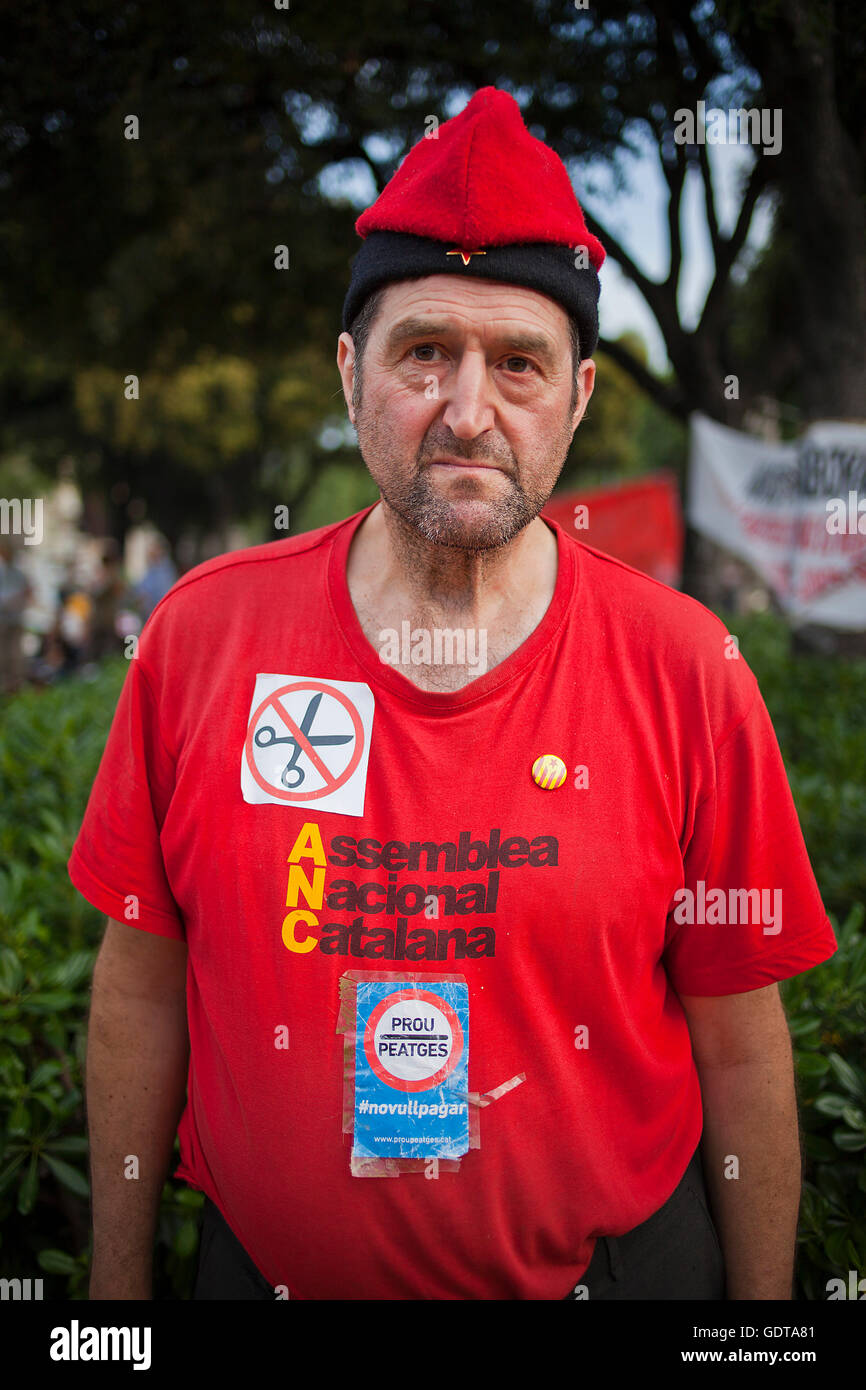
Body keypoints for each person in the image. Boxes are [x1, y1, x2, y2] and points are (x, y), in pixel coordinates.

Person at [70, 87, 837, 1302]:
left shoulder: (689, 667)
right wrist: (115, 1304)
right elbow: (139, 981)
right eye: (424, 351)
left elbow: (740, 1042)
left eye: (518, 363)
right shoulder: (199, 637)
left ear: (578, 396)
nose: (467, 410)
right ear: (348, 370)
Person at [0, 537, 32, 693]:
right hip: (3, 620)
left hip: (15, 618)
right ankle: (6, 686)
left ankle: (15, 686)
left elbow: (28, 592)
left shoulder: (18, 573)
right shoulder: (3, 571)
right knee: (4, 655)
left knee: (16, 654)